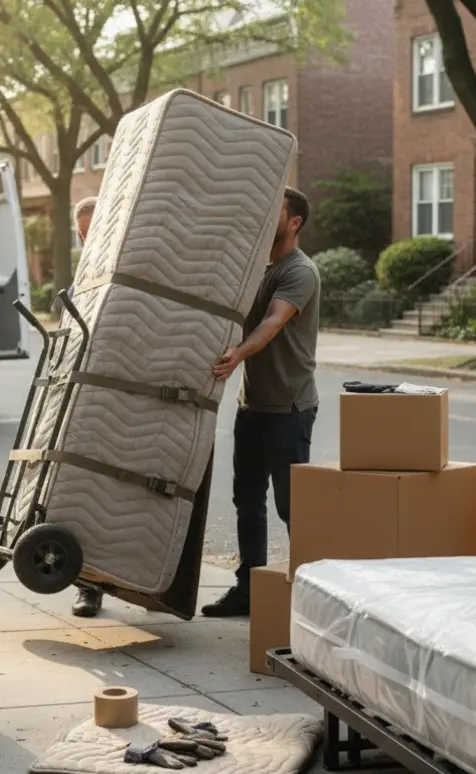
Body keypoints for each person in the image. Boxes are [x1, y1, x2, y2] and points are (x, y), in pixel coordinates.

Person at [203, 187, 320, 618]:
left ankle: (312, 595)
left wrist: (238, 354)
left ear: (295, 223)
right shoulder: (257, 268)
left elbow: (273, 321)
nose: (268, 216)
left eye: (278, 212)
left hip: (289, 408)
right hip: (252, 405)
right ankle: (248, 589)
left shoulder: (300, 272)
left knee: (291, 507)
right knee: (246, 500)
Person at [70, 195, 104, 618]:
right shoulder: (83, 273)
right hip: (84, 387)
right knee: (81, 489)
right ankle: (87, 587)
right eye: (80, 231)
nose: (85, 236)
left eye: (90, 227)